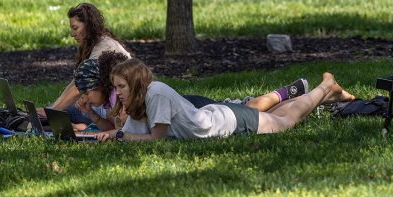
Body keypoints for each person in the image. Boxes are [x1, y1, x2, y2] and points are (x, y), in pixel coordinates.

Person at [95, 58, 355, 142]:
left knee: (285, 121)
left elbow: (158, 139)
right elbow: (130, 131)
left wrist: (119, 136)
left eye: (121, 86)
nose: (118, 93)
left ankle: (325, 87)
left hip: (225, 122)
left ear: (136, 83)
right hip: (214, 115)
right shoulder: (141, 98)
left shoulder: (156, 93)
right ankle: (325, 96)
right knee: (275, 115)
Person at [72, 51, 313, 131]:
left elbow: (126, 129)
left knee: (248, 107)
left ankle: (290, 92)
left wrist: (111, 129)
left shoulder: (121, 94)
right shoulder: (113, 95)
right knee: (255, 112)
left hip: (196, 107)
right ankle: (304, 97)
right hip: (202, 116)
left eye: (87, 91)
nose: (84, 97)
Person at [42, 3, 132, 118]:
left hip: (114, 105)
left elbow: (77, 89)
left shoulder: (104, 48)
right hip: (105, 103)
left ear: (89, 26)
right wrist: (53, 107)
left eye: (75, 28)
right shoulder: (93, 44)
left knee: (69, 110)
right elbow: (78, 81)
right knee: (63, 109)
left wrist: (52, 112)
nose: (72, 34)